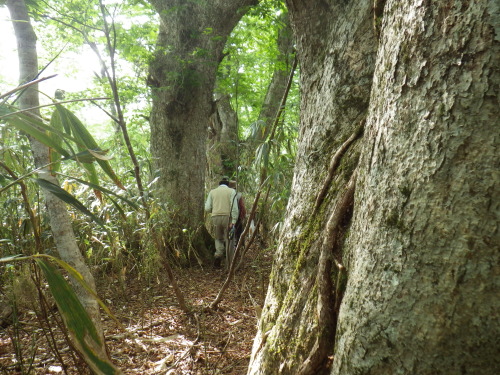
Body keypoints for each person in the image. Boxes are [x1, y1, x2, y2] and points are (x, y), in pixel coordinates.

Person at [205, 176, 239, 268]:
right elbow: (234, 207)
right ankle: (229, 264)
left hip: (215, 217)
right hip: (228, 218)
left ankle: (218, 255)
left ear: (219, 185)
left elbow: (207, 208)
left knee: (218, 238)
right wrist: (234, 220)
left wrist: (215, 210)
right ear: (228, 185)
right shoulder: (231, 191)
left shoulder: (212, 192)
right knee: (229, 239)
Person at [229, 180, 247, 248]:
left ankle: (228, 248)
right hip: (237, 217)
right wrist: (242, 216)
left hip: (227, 217)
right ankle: (239, 246)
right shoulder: (238, 195)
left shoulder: (226, 194)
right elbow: (242, 206)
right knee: (238, 233)